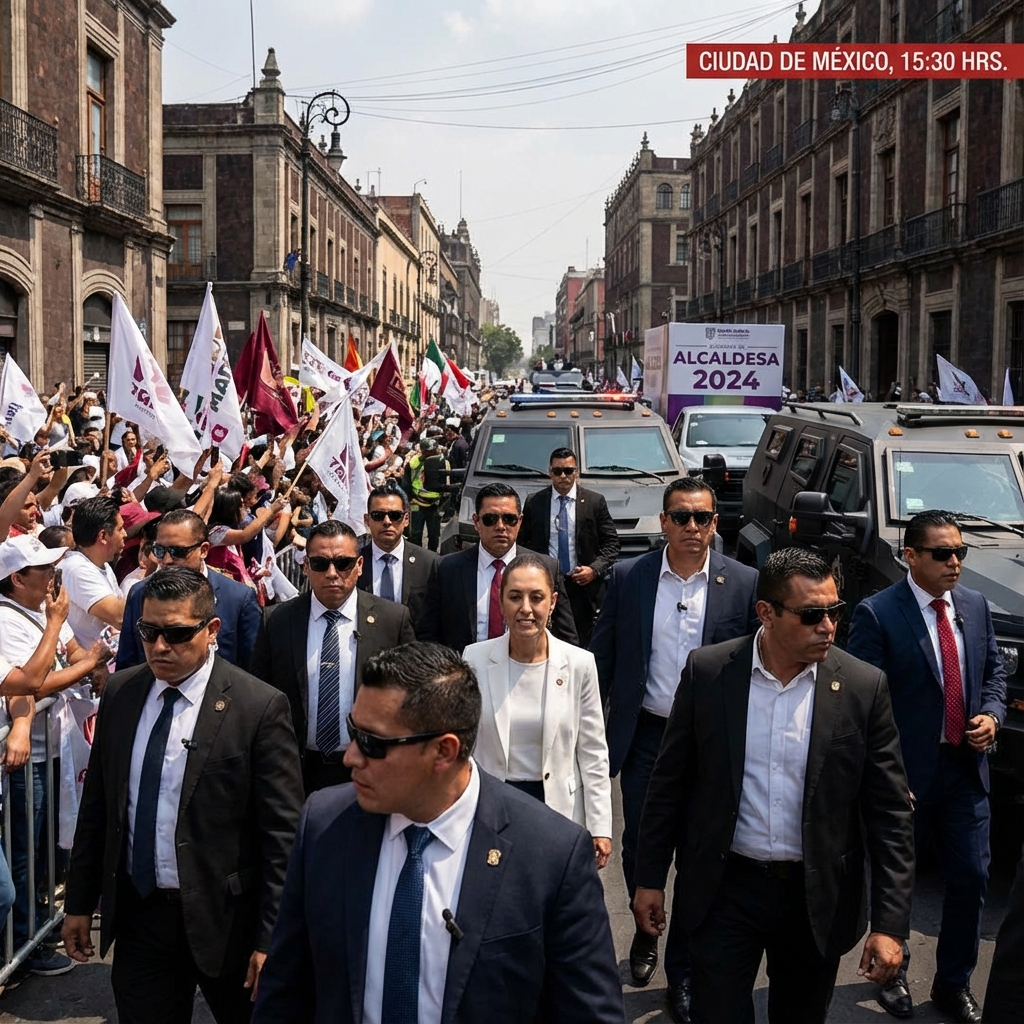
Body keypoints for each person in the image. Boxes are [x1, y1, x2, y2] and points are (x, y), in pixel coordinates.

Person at [251, 641, 624, 1024]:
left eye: (373, 743)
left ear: (444, 752)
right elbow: (284, 994)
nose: (351, 757)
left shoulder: (552, 856)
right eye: (353, 731)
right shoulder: (324, 825)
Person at [632, 548, 914, 1024]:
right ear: (766, 612)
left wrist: (890, 925)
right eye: (812, 615)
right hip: (724, 890)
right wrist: (650, 880)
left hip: (814, 899)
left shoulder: (863, 687)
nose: (828, 626)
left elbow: (890, 815)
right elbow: (669, 785)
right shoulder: (710, 672)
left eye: (835, 611)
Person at [62, 567, 304, 1024]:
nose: (159, 647)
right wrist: (78, 902)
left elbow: (281, 837)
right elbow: (99, 807)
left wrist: (271, 938)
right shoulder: (122, 692)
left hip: (226, 923)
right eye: (148, 632)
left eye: (175, 634)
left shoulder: (257, 707)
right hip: (140, 919)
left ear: (211, 630)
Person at [588, 475, 758, 1016]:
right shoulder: (630, 578)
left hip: (713, 742)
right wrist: (587, 729)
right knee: (641, 842)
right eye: (681, 517)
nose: (692, 527)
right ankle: (645, 929)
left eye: (702, 517)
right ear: (663, 522)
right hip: (646, 736)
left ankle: (682, 972)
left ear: (715, 523)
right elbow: (603, 659)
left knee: (700, 854)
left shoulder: (744, 583)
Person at [847, 510, 1007, 1023]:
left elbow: (994, 673)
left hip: (965, 769)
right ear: (911, 556)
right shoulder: (878, 614)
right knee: (899, 881)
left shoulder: (974, 606)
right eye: (942, 553)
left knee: (972, 876)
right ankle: (892, 976)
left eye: (960, 552)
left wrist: (992, 716)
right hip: (906, 774)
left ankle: (953, 983)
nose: (954, 562)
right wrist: (885, 776)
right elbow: (861, 702)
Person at [0, 534, 110, 977]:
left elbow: (72, 650)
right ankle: (25, 939)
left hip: (58, 743)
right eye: (44, 568)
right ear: (17, 578)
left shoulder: (45, 608)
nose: (53, 575)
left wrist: (86, 660)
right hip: (27, 757)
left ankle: (39, 923)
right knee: (25, 852)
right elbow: (30, 682)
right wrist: (85, 662)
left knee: (46, 845)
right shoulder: (7, 620)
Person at [461, 553, 611, 863]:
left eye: (537, 597)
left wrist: (600, 827)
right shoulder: (474, 659)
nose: (526, 608)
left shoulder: (579, 664)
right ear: (501, 601)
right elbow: (465, 748)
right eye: (515, 597)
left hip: (557, 811)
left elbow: (593, 752)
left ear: (552, 602)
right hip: (494, 808)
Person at [249, 519, 416, 794]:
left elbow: (409, 697)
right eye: (320, 564)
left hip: (369, 765)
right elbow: (260, 695)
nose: (331, 573)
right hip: (295, 771)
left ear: (359, 566)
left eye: (343, 563)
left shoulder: (392, 620)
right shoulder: (277, 620)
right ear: (306, 566)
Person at [416, 482, 579, 652]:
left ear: (520, 521)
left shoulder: (546, 568)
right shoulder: (446, 569)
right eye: (490, 519)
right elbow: (427, 636)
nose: (500, 526)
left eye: (509, 519)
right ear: (476, 522)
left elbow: (567, 638)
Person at [116, 510, 262, 672]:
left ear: (204, 550)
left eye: (177, 552)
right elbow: (127, 666)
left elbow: (253, 670)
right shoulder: (139, 594)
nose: (167, 560)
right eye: (159, 551)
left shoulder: (238, 599)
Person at [519, 446, 620, 645]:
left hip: (582, 586)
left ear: (577, 472)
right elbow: (523, 543)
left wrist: (594, 569)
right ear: (550, 472)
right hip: (547, 583)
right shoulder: (535, 502)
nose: (563, 476)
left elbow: (612, 543)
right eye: (557, 471)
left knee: (582, 641)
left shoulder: (594, 502)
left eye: (568, 471)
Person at [357, 480, 438, 629]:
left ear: (406, 519)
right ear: (367, 520)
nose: (387, 522)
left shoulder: (430, 564)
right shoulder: (353, 563)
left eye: (395, 515)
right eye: (378, 515)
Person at [60, 495, 125, 648]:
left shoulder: (102, 565)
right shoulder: (77, 568)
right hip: (90, 659)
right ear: (103, 536)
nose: (125, 534)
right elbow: (120, 617)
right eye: (120, 529)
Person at [407, 437, 447, 552]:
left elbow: (446, 484)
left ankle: (432, 555)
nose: (430, 454)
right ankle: (416, 555)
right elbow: (406, 481)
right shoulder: (414, 462)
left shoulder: (442, 462)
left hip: (434, 504)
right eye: (427, 452)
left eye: (432, 451)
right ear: (422, 451)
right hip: (417, 502)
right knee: (415, 532)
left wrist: (442, 504)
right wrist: (410, 498)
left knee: (433, 533)